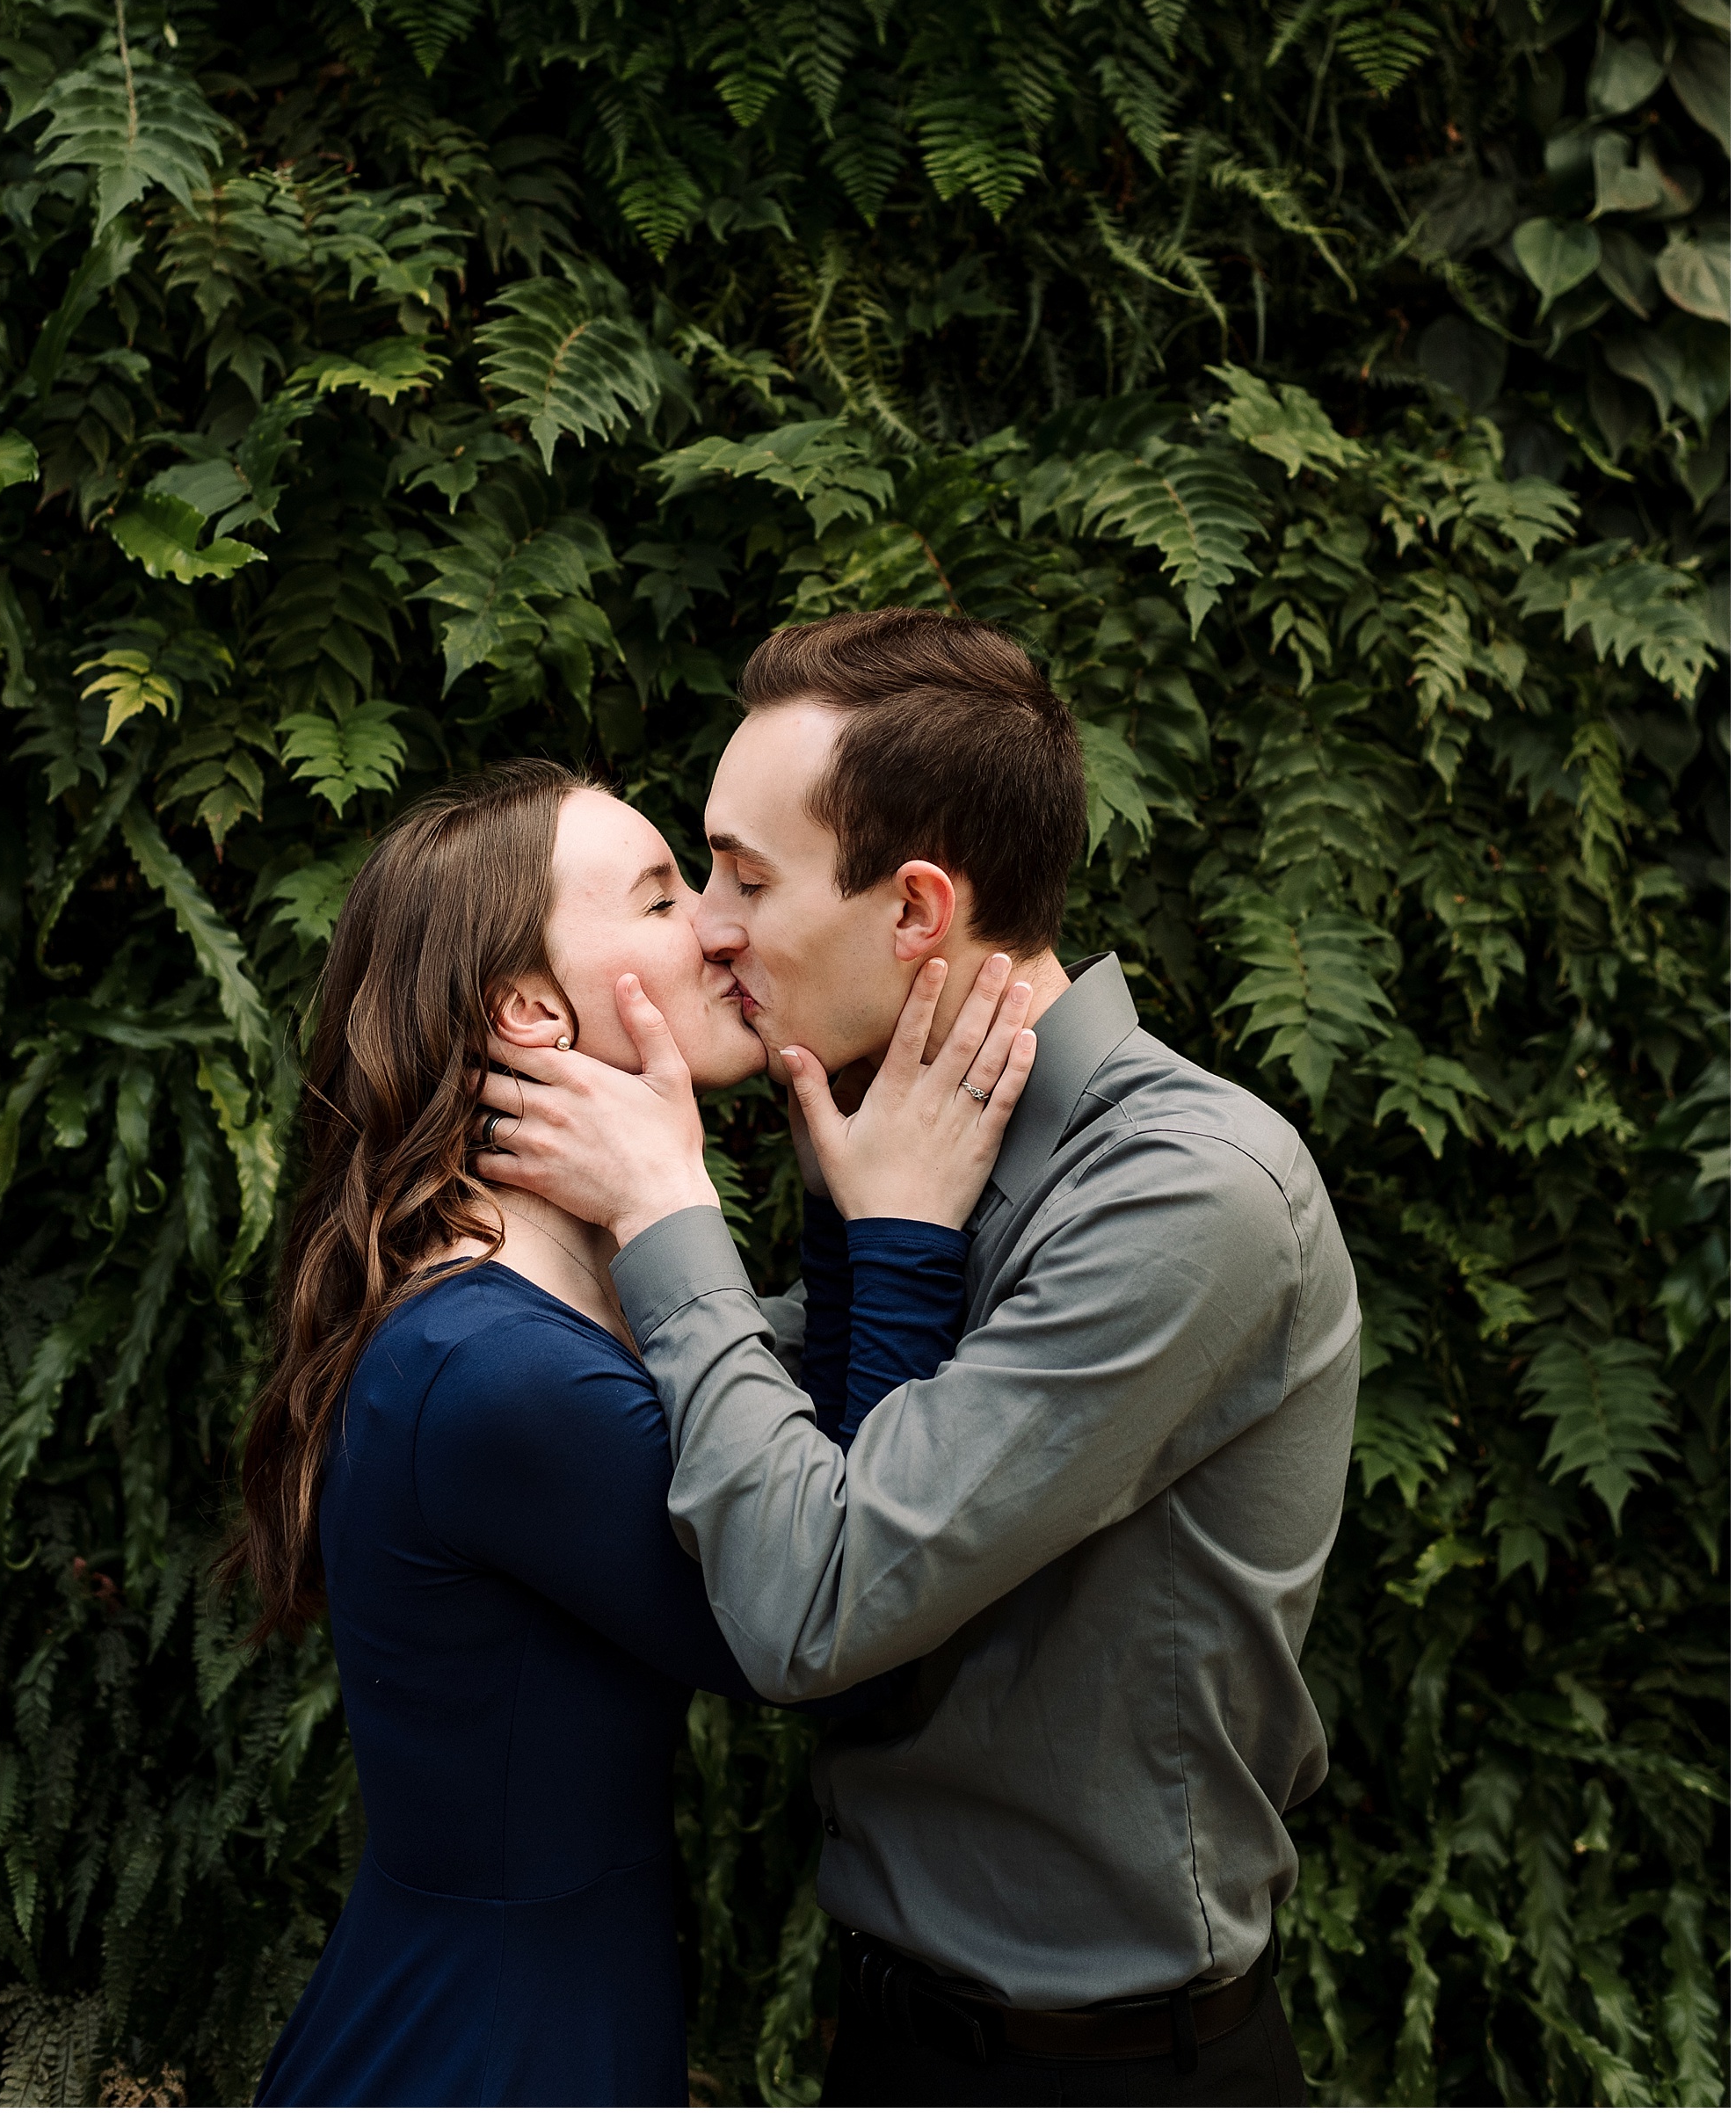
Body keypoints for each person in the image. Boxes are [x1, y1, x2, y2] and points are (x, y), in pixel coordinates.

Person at [475, 611, 1362, 2109]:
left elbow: (816, 1600)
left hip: (1105, 2075)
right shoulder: (904, 1156)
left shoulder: (1185, 1193)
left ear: (916, 912)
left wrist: (669, 1216)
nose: (706, 927)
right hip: (890, 2047)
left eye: (746, 879)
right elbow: (747, 1437)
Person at [229, 757, 1038, 2109]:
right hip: (485, 2054)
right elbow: (840, 1636)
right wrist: (897, 1238)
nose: (718, 927)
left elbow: (809, 1466)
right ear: (532, 1010)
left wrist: (849, 1196)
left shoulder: (535, 1313)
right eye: (661, 900)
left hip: (537, 2010)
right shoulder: (488, 1373)